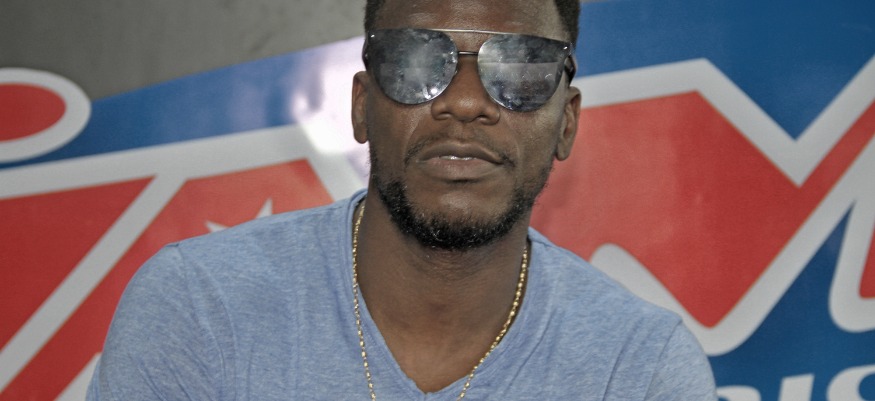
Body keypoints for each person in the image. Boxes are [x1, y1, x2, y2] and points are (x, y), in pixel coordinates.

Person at [87, 0, 718, 399]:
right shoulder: (200, 308)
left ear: (567, 122)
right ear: (362, 106)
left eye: (520, 67)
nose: (464, 102)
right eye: (418, 60)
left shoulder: (638, 371)